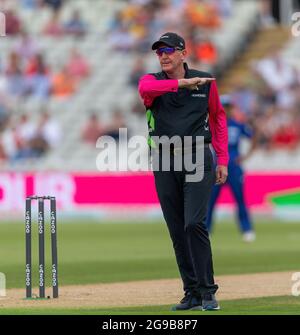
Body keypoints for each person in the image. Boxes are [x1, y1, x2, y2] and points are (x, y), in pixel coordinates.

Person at [138, 32, 228, 311]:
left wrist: (222, 158)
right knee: (177, 230)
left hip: (197, 156)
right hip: (164, 159)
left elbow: (218, 117)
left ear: (182, 53)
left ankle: (208, 290)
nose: (163, 55)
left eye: (168, 50)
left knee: (193, 224)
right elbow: (145, 91)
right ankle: (191, 293)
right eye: (159, 51)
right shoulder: (152, 81)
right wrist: (181, 84)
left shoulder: (206, 81)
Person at [206, 95, 256, 242]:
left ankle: (247, 229)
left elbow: (253, 137)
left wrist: (246, 156)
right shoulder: (212, 125)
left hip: (233, 167)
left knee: (240, 199)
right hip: (216, 167)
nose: (225, 110)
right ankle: (206, 230)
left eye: (227, 106)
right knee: (210, 201)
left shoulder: (237, 125)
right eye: (223, 106)